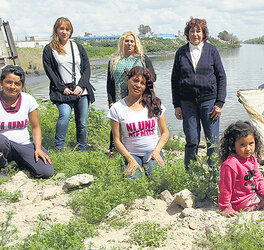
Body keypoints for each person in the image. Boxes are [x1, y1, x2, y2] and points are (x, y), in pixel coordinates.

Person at [171, 17, 226, 168]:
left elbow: (221, 76)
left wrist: (219, 103)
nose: (195, 34)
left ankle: (213, 176)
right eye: (192, 31)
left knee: (212, 141)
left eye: (198, 31)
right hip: (187, 103)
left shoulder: (212, 50)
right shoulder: (181, 53)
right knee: (192, 140)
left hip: (209, 102)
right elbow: (174, 80)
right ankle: (191, 175)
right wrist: (177, 105)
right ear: (187, 34)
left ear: (204, 33)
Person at [42, 17, 94, 152]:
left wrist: (81, 86)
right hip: (62, 91)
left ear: (71, 31)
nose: (64, 32)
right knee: (64, 115)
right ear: (56, 30)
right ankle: (59, 147)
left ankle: (81, 149)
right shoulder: (49, 49)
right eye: (62, 29)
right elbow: (50, 72)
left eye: (67, 29)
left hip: (81, 90)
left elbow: (87, 69)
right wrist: (62, 88)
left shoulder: (78, 47)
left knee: (82, 122)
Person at [107, 66, 169, 178]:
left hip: (152, 152)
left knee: (158, 178)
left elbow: (165, 132)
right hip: (131, 154)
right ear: (127, 80)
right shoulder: (117, 108)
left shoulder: (154, 104)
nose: (138, 85)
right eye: (135, 80)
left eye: (142, 83)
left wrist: (157, 151)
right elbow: (117, 140)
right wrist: (130, 159)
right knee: (133, 180)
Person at [218, 121, 264, 217]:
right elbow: (225, 188)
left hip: (252, 194)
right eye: (242, 145)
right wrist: (226, 208)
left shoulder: (251, 159)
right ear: (232, 146)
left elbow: (258, 179)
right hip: (240, 202)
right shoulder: (230, 164)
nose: (248, 148)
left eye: (251, 143)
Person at [106, 31, 156, 156]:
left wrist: (138, 75)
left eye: (132, 41)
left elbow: (153, 77)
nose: (129, 43)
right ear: (122, 42)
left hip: (139, 97)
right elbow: (109, 82)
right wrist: (110, 100)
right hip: (119, 96)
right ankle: (114, 150)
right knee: (117, 124)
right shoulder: (114, 60)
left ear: (136, 43)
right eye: (126, 41)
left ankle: (140, 148)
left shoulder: (143, 59)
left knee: (136, 123)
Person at [0, 65, 54, 178]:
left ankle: (17, 162)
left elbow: (36, 127)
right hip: (3, 146)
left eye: (17, 84)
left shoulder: (28, 99)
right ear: (1, 82)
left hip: (23, 145)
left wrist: (38, 148)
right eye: (8, 82)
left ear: (22, 85)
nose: (12, 87)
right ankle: (4, 164)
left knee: (46, 172)